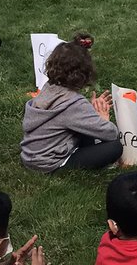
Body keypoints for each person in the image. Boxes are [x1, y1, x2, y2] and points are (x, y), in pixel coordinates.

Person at [20, 33, 121, 173]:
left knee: (86, 128)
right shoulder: (74, 103)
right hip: (49, 164)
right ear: (85, 73)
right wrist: (102, 117)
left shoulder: (48, 88)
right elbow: (110, 133)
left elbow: (73, 118)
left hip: (30, 156)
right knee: (115, 147)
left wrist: (89, 113)